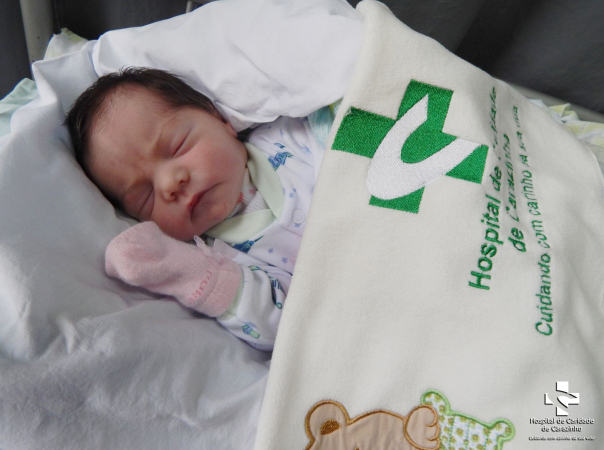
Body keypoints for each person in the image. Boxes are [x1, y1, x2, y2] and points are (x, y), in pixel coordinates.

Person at [66, 67, 326, 351]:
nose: (169, 184)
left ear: (219, 119)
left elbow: (354, 130)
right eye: (145, 197)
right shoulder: (221, 258)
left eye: (177, 147)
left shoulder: (288, 134)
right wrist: (195, 276)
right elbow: (288, 326)